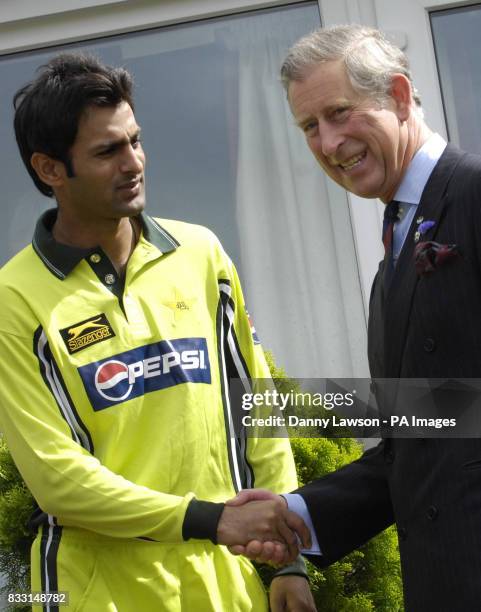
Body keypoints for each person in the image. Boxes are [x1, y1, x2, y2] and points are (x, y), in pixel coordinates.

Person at [0, 52, 316, 611]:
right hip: (95, 592)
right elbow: (58, 480)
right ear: (51, 169)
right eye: (107, 151)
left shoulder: (201, 253)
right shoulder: (13, 298)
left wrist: (291, 557)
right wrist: (208, 520)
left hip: (227, 583)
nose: (134, 162)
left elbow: (256, 405)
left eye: (135, 140)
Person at [227, 24, 481, 611]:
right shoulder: (390, 265)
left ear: (396, 95)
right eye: (309, 127)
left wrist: (323, 404)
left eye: (339, 112)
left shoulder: (472, 195)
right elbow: (416, 445)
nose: (328, 141)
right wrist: (295, 515)